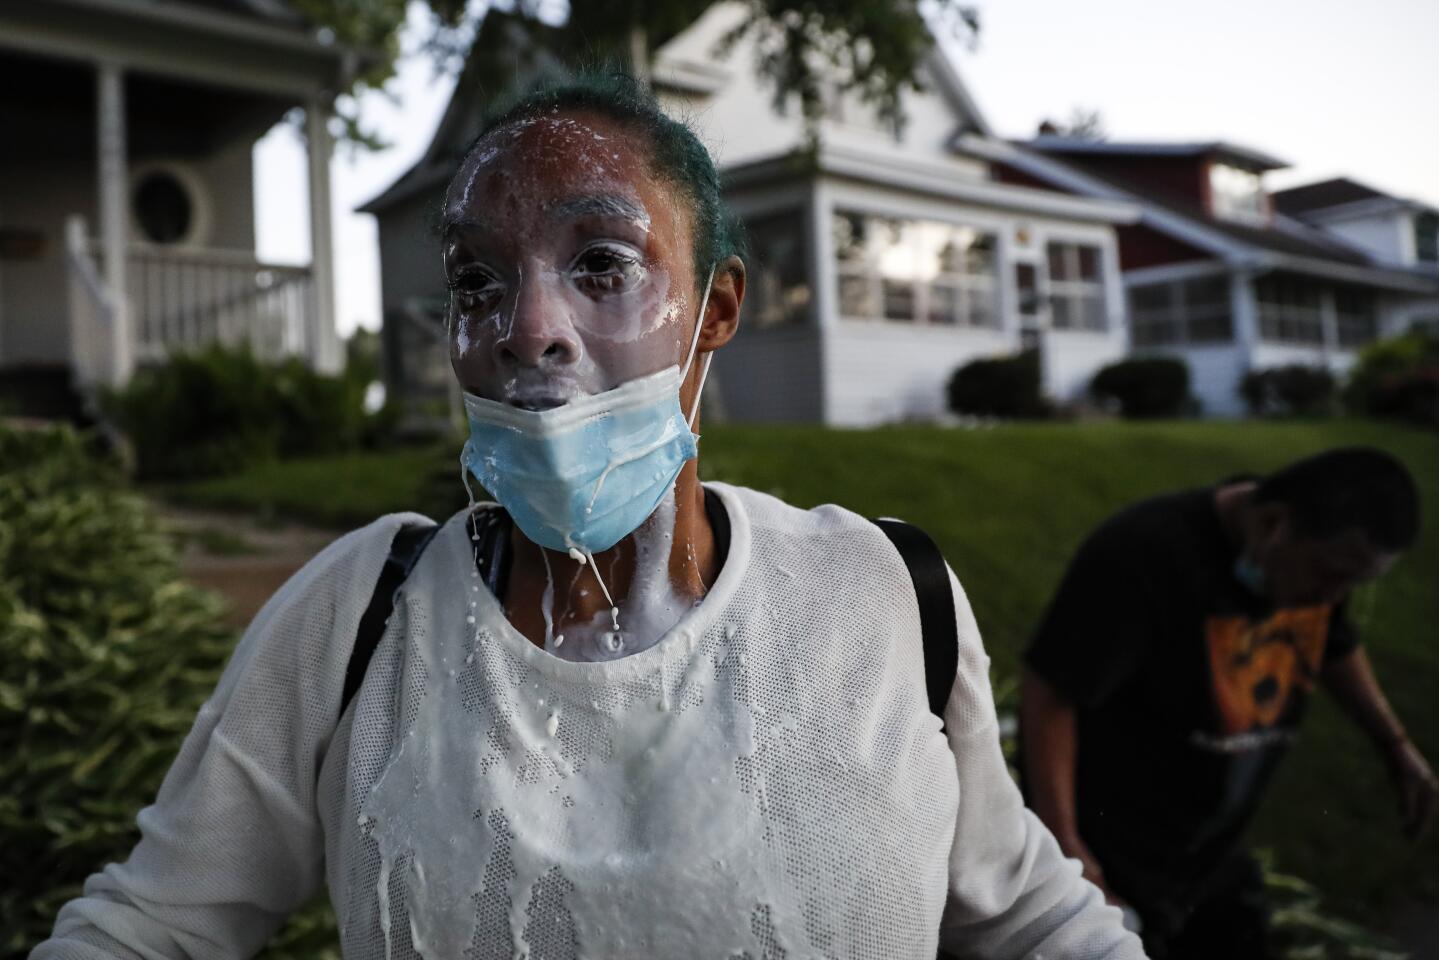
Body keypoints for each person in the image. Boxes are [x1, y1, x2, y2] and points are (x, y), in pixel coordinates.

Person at [34, 75, 1142, 960]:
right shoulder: (358, 621)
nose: (525, 327)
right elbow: (156, 926)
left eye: (601, 262)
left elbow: (1025, 916)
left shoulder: (881, 595)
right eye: (475, 276)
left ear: (715, 309)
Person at [1020, 448, 1438, 959]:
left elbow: (1335, 642)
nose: (1332, 597)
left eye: (1352, 584)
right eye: (1331, 576)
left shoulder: (1309, 563)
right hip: (1120, 848)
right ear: (1273, 523)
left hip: (1208, 855)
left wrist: (1394, 745)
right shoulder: (1144, 554)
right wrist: (1071, 853)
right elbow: (1051, 693)